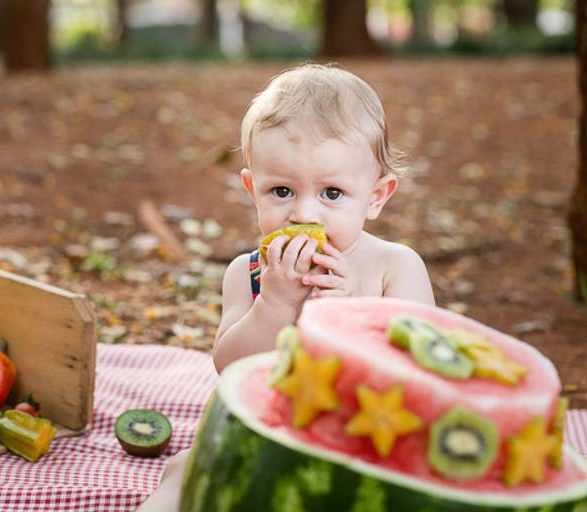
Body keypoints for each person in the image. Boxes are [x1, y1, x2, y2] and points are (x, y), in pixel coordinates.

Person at [137, 63, 435, 511]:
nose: (304, 214)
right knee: (184, 472)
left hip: (364, 442)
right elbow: (230, 364)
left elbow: (420, 378)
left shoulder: (395, 267)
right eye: (281, 191)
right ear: (252, 188)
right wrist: (274, 306)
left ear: (376, 196)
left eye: (331, 193)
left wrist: (350, 316)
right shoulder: (249, 272)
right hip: (266, 432)